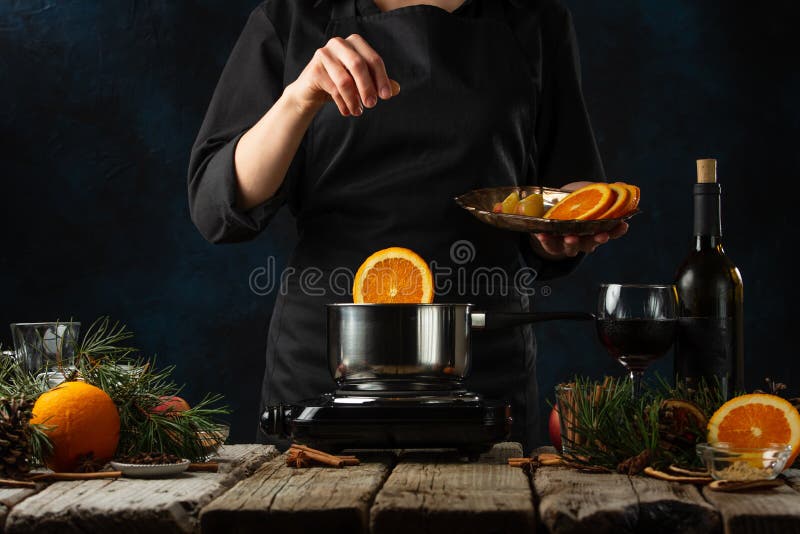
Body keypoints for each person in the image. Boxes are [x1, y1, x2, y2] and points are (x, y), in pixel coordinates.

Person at [188, 0, 627, 451]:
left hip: (480, 366)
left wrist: (564, 232)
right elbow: (215, 206)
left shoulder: (536, 19)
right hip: (327, 368)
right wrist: (298, 99)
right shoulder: (291, 18)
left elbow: (553, 201)